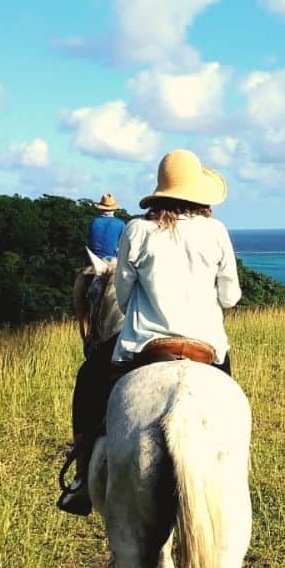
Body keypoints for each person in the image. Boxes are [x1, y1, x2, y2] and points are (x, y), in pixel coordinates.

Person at [58, 149, 241, 516]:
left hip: (144, 345)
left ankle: (81, 479)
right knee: (228, 403)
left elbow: (123, 298)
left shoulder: (137, 229)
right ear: (200, 196)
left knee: (88, 377)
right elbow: (230, 296)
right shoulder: (216, 231)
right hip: (207, 348)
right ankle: (232, 471)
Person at [88, 193, 126, 260]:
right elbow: (122, 245)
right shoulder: (120, 223)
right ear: (114, 209)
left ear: (101, 208)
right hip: (112, 259)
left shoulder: (93, 222)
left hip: (94, 259)